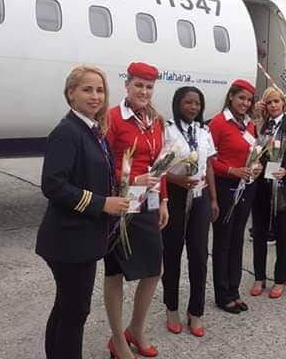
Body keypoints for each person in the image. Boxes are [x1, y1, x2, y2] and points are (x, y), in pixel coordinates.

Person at [36, 65, 130, 359]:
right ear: (70, 94)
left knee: (67, 307)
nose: (95, 96)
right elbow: (52, 185)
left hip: (82, 238)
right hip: (68, 240)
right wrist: (102, 203)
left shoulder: (91, 129)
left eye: (100, 90)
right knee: (76, 311)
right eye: (87, 89)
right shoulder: (68, 132)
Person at [104, 62, 169, 359]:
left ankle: (136, 329)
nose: (144, 91)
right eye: (139, 85)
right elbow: (101, 165)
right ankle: (118, 340)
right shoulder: (113, 118)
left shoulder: (155, 120)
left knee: (155, 269)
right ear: (127, 85)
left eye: (149, 86)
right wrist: (130, 179)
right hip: (120, 204)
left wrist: (164, 200)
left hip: (148, 204)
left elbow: (160, 165)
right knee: (115, 273)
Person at [162, 86, 218, 337]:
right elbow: (158, 168)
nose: (193, 107)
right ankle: (171, 309)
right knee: (172, 255)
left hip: (200, 198)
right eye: (188, 103)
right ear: (178, 104)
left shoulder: (204, 131)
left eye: (197, 103)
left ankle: (196, 312)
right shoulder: (167, 130)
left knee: (198, 257)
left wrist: (214, 199)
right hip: (175, 197)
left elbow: (209, 167)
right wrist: (176, 182)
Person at [250, 86, 286, 299]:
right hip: (262, 188)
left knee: (283, 235)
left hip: (283, 187)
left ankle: (280, 279)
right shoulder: (261, 127)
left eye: (276, 101)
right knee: (259, 234)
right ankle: (259, 276)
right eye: (269, 102)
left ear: (283, 103)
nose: (273, 105)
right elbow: (254, 150)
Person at [209, 79, 258, 314]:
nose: (245, 103)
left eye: (248, 100)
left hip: (245, 186)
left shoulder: (249, 125)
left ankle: (234, 290)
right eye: (241, 98)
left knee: (237, 239)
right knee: (223, 240)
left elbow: (254, 152)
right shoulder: (219, 123)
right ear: (231, 97)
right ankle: (222, 293)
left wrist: (255, 166)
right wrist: (232, 170)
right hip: (226, 185)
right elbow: (210, 160)